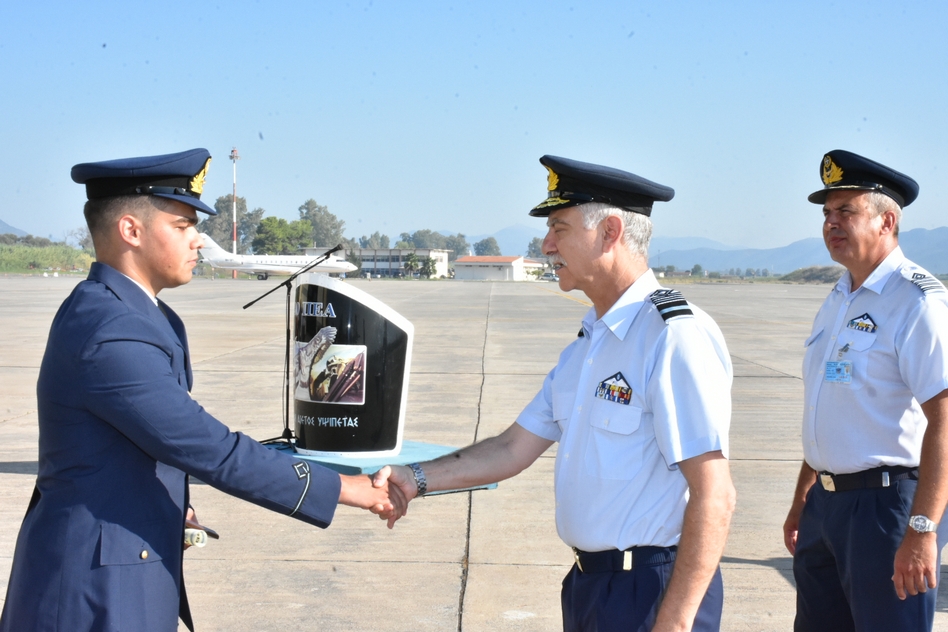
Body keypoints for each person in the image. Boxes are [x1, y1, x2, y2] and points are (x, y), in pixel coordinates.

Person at [0, 149, 404, 632]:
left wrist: (171, 501)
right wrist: (346, 488)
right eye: (182, 225)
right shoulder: (112, 330)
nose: (197, 241)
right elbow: (207, 447)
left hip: (125, 557)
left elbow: (144, 439)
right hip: (96, 589)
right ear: (131, 230)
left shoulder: (135, 313)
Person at [374, 155, 737, 632]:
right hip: (590, 588)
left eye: (559, 228)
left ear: (610, 232)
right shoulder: (591, 343)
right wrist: (413, 477)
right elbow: (512, 447)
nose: (546, 245)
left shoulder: (672, 336)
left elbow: (715, 495)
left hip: (651, 593)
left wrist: (675, 621)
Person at [782, 150, 948, 631]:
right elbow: (827, 408)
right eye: (827, 215)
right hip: (826, 507)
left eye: (846, 212)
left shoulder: (917, 302)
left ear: (887, 221)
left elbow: (944, 419)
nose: (831, 223)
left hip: (885, 509)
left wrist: (923, 530)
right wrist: (803, 498)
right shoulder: (839, 298)